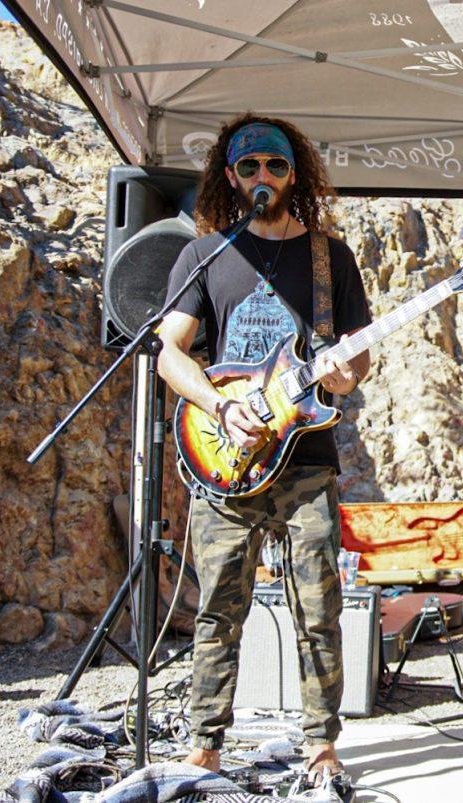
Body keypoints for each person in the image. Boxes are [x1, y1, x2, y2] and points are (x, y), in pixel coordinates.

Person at [158, 114, 371, 779]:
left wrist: (346, 373)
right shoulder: (206, 253)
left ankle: (321, 744)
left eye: (274, 166)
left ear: (293, 174)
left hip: (305, 456)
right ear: (229, 176)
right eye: (248, 167)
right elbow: (170, 351)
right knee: (219, 605)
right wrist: (221, 404)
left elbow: (359, 357)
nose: (262, 177)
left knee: (319, 603)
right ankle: (205, 739)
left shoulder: (329, 256)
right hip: (225, 451)